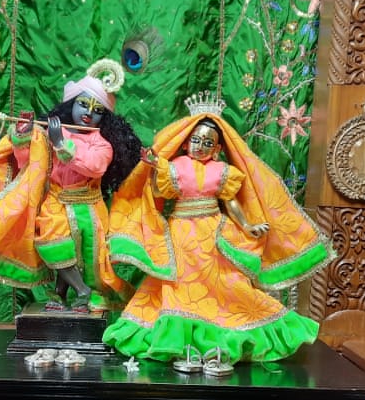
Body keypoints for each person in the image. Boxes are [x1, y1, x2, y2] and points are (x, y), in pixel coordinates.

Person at [102, 92, 334, 363]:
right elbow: (158, 193)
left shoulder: (222, 171)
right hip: (180, 234)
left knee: (225, 280)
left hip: (213, 233)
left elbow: (231, 202)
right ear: (185, 142)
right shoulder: (174, 166)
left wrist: (246, 224)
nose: (200, 147)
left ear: (217, 149)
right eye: (196, 140)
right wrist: (154, 169)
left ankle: (231, 327)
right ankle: (175, 336)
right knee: (176, 283)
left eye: (207, 143)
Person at [0, 60, 141, 312]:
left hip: (87, 207)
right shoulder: (51, 132)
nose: (88, 112)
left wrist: (62, 144)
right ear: (71, 104)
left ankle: (63, 293)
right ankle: (82, 291)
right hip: (54, 201)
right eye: (83, 104)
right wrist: (23, 136)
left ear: (104, 118)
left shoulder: (102, 144)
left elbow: (94, 166)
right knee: (52, 243)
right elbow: (29, 161)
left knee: (83, 256)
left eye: (97, 110)